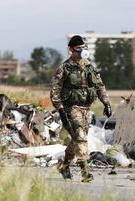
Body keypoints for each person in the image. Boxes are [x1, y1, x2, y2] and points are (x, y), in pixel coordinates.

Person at [50, 35, 112, 182]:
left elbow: (99, 86)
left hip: (86, 109)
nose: (82, 51)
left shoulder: (89, 67)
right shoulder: (64, 68)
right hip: (72, 108)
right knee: (81, 138)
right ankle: (85, 171)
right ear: (71, 50)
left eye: (84, 48)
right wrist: (60, 109)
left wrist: (106, 103)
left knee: (77, 139)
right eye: (78, 48)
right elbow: (55, 91)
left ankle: (64, 166)